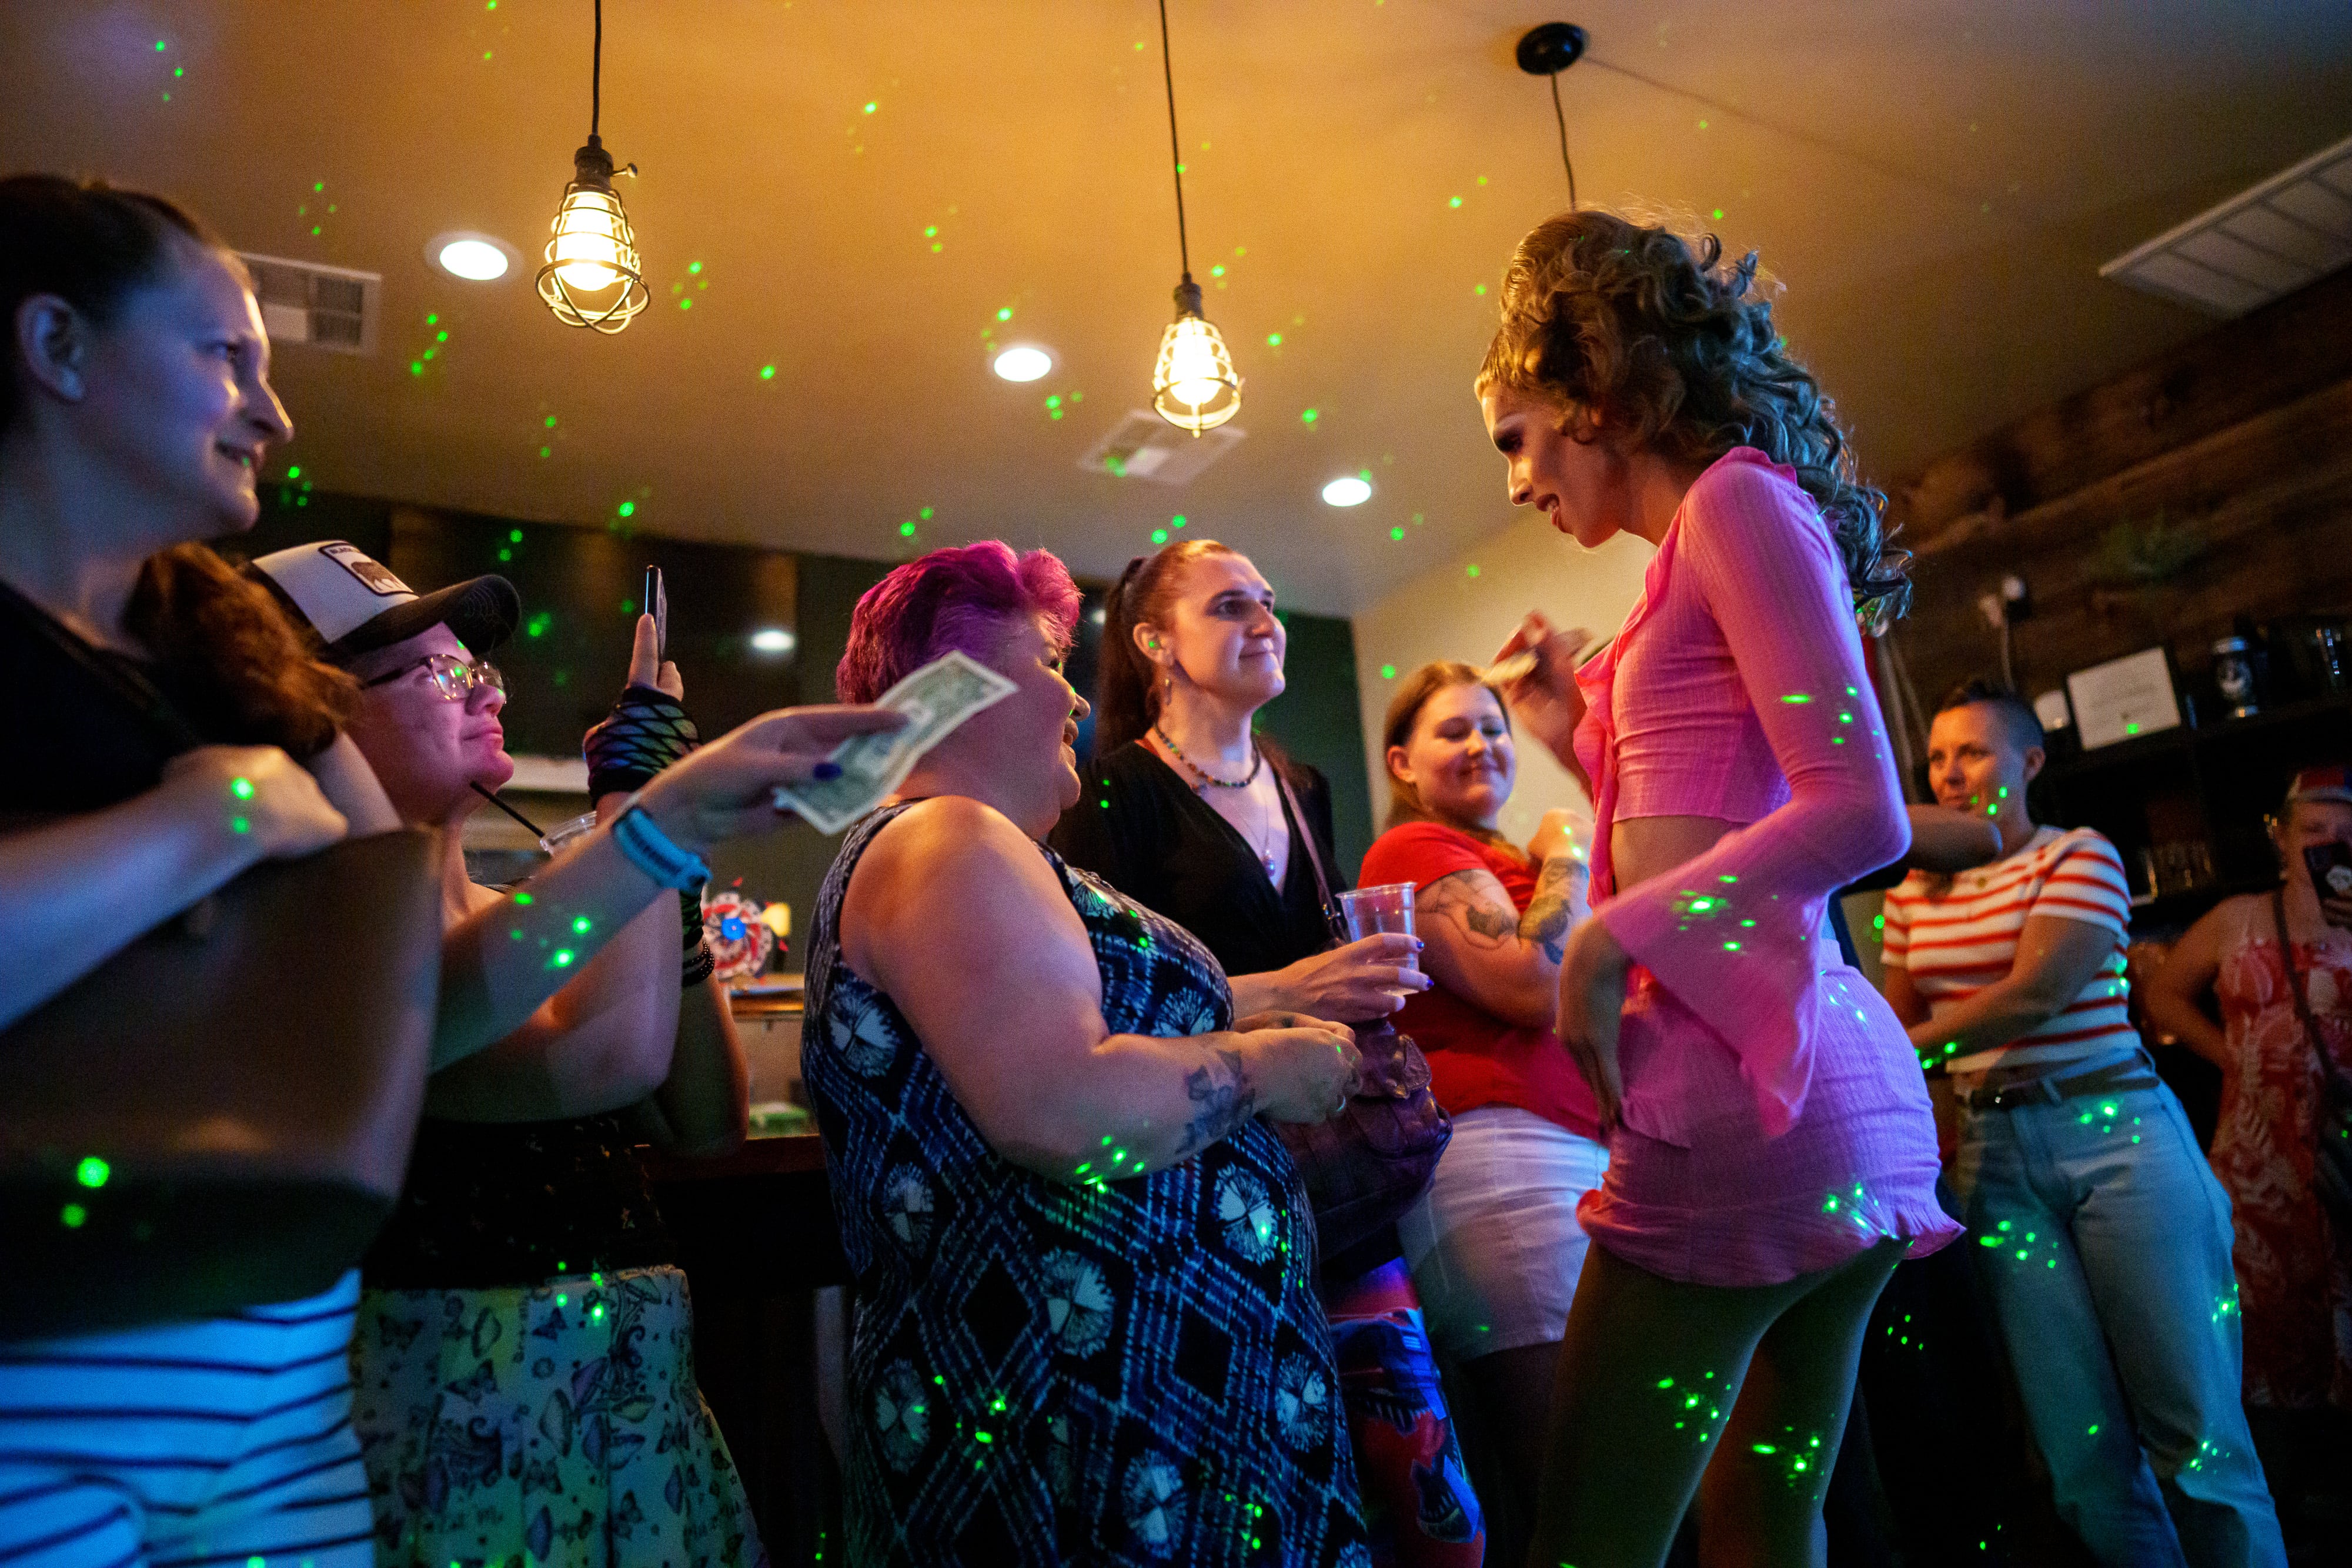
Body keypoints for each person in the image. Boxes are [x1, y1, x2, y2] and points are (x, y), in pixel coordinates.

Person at [1473, 209, 1963, 1567]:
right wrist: (1572, 720)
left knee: (1587, 1536)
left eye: (1515, 436)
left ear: (1589, 391)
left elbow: (1856, 806)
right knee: (1761, 1523)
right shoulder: (1690, 549)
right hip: (1821, 1095)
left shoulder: (1736, 503)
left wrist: (1604, 937)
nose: (1515, 480)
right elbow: (1702, 813)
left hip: (1740, 1102)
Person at [803, 541, 1369, 1564]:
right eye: (1048, 667)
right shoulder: (946, 839)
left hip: (1139, 1406)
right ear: (951, 695)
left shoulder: (973, 847)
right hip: (1090, 1423)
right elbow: (1065, 1109)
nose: (1073, 701)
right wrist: (1264, 1070)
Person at [251, 540, 771, 1567]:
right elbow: (606, 1059)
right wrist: (639, 817)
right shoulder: (322, 935)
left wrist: (658, 882)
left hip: (636, 1413)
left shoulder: (522, 920)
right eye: (440, 672)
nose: (484, 689)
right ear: (318, 717)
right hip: (477, 1428)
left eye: (479, 667)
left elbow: (705, 1124)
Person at [1052, 539, 1484, 1566]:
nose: (1266, 622)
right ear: (1155, 641)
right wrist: (1291, 995)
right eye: (1231, 605)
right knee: (1268, 1496)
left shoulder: (1307, 785)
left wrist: (1362, 981)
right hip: (1204, 1188)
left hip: (1336, 1175)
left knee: (1435, 1511)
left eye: (1272, 602)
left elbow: (1326, 957)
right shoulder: (1108, 796)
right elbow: (1106, 1016)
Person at [1882, 680, 2286, 1567]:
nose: (1950, 774)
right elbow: (1894, 1018)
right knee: (2080, 1455)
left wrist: (1879, 1056)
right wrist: (1881, 1049)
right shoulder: (1915, 893)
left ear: (2030, 763)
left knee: (2197, 1441)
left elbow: (2036, 991)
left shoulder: (2080, 855)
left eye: (1975, 753)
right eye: (1938, 757)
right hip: (1992, 1154)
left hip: (2117, 1134)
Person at [1357, 661, 1602, 1562]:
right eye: (1453, 731)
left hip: (1574, 1152)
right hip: (1507, 1168)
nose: (1481, 745)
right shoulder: (1416, 853)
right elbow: (1532, 985)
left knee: (1625, 1470)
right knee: (1579, 1480)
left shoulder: (1514, 862)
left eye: (1491, 729)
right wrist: (1569, 844)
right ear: (1401, 763)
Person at [2139, 765, 2352, 1545]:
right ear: (2283, 838)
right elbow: (2162, 997)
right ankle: (2283, 1515)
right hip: (2256, 1167)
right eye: (2316, 829)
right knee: (2261, 1339)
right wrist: (2235, 1057)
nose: (2333, 843)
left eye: (2347, 830)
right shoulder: (2238, 919)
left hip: (2345, 1157)